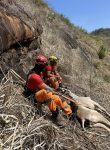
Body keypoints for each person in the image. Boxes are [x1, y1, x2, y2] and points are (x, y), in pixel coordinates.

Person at [25, 55, 72, 120]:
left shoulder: (39, 73)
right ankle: (55, 114)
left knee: (59, 99)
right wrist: (55, 91)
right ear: (41, 66)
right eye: (44, 66)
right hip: (33, 96)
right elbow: (46, 88)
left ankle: (70, 114)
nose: (46, 67)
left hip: (39, 93)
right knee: (47, 93)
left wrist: (56, 93)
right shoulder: (34, 76)